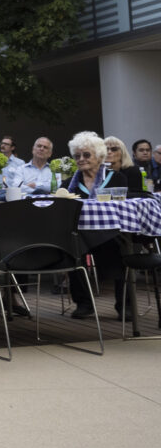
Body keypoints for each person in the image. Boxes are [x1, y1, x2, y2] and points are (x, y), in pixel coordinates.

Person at [65, 131, 129, 320]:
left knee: (122, 250)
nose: (81, 159)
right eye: (77, 156)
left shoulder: (116, 179)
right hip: (81, 234)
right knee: (71, 251)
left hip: (109, 232)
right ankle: (83, 303)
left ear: (100, 157)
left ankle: (125, 304)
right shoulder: (70, 184)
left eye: (86, 155)